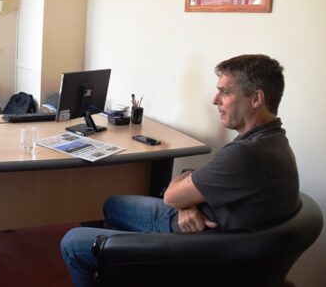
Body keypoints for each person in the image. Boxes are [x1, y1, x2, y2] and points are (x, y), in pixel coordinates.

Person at [60, 54, 300, 286]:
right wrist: (187, 204)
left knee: (72, 242)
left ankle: (131, 260)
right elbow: (188, 189)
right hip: (198, 224)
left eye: (225, 92)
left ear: (256, 99)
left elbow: (172, 196)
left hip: (194, 248)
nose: (215, 100)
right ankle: (122, 269)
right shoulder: (274, 141)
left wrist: (182, 197)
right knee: (113, 205)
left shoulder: (246, 154)